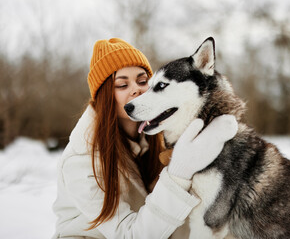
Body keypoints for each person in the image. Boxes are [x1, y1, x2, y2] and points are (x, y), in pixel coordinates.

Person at [52, 38, 238, 239]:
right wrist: (178, 174)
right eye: (122, 84)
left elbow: (180, 216)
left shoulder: (155, 137)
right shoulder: (82, 159)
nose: (136, 89)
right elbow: (129, 235)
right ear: (105, 96)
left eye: (143, 82)